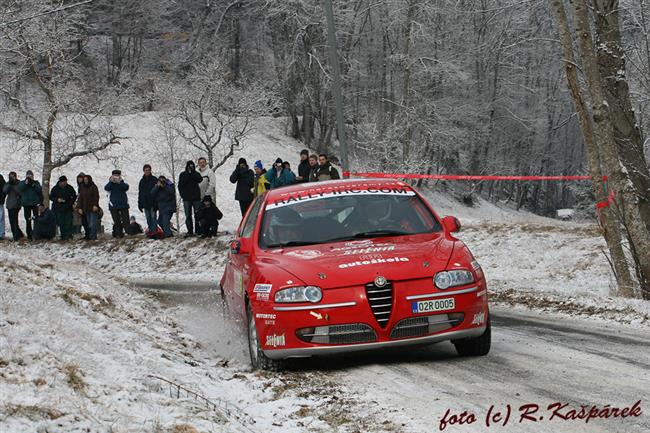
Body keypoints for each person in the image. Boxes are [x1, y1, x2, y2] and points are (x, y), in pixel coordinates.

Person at [178, 160, 203, 237]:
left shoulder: (196, 174)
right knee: (188, 215)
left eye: (192, 166)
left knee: (197, 215)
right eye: (190, 166)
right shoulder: (183, 174)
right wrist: (182, 195)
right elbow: (180, 185)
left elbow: (200, 179)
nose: (191, 168)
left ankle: (198, 231)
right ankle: (190, 231)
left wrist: (192, 173)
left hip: (196, 198)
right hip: (186, 199)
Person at [49, 175, 77, 241]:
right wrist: (57, 199)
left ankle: (69, 235)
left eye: (65, 182)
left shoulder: (70, 188)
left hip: (68, 207)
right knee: (61, 223)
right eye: (63, 182)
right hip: (59, 208)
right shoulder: (55, 188)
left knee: (68, 222)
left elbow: (74, 196)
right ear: (60, 182)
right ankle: (63, 236)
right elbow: (51, 197)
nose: (64, 183)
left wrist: (71, 202)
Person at [104, 169, 130, 238]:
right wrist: (111, 182)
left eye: (117, 176)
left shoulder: (122, 183)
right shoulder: (110, 184)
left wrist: (120, 182)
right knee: (116, 220)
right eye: (114, 176)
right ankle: (119, 234)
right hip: (113, 205)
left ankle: (128, 233)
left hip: (123, 204)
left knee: (126, 220)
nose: (116, 177)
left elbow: (126, 187)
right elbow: (106, 188)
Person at [18, 170, 42, 240]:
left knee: (36, 219)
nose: (29, 177)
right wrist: (26, 184)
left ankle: (36, 234)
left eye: (30, 176)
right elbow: (20, 188)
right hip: (26, 204)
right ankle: (29, 235)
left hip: (34, 204)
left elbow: (39, 190)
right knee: (28, 220)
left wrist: (32, 184)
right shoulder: (22, 183)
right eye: (28, 176)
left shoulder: (36, 183)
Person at [77, 174, 100, 241]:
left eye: (86, 179)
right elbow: (80, 198)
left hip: (93, 208)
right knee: (88, 224)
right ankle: (90, 237)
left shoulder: (93, 186)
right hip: (85, 208)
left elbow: (96, 196)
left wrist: (95, 205)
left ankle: (93, 238)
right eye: (84, 180)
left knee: (93, 224)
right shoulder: (82, 187)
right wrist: (79, 207)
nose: (85, 181)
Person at [3, 172, 24, 241]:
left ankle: (16, 236)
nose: (11, 178)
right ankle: (19, 234)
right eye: (10, 176)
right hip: (10, 204)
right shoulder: (8, 183)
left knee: (14, 221)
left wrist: (14, 186)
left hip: (16, 204)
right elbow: (4, 191)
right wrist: (9, 184)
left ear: (15, 176)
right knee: (12, 221)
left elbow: (20, 192)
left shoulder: (19, 183)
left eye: (12, 176)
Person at [138, 164, 158, 233]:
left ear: (150, 170)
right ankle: (151, 231)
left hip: (153, 203)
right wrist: (139, 204)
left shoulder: (154, 179)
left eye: (148, 170)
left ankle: (155, 231)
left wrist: (157, 203)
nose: (147, 171)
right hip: (145, 203)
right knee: (148, 218)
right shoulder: (141, 181)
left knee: (153, 217)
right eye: (145, 170)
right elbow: (140, 193)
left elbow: (157, 192)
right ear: (143, 171)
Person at [72, 172, 88, 237]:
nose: (79, 180)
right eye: (78, 179)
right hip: (81, 204)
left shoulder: (84, 186)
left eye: (81, 178)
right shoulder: (80, 186)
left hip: (85, 205)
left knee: (85, 220)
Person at [0, 174, 5, 240]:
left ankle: (1, 234)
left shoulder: (0, 178)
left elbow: (4, 190)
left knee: (0, 218)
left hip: (0, 202)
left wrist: (1, 198)